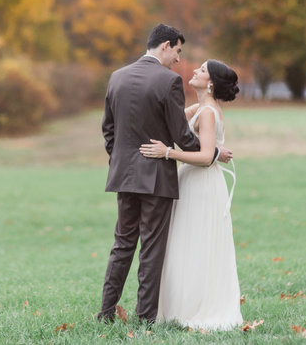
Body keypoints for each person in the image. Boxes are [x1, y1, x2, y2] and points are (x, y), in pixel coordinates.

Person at [97, 24, 232, 326]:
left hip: (123, 176)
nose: (178, 60)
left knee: (122, 244)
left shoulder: (117, 77)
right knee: (152, 249)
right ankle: (145, 317)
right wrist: (212, 151)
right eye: (178, 52)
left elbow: (109, 131)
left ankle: (105, 313)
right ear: (166, 46)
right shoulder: (168, 82)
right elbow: (182, 138)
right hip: (157, 177)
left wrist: (122, 161)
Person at [139, 59, 243, 331]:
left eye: (202, 70)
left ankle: (195, 309)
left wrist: (167, 153)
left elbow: (206, 156)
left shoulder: (208, 113)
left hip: (201, 184)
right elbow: (170, 126)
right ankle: (179, 306)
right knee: (184, 243)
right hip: (191, 181)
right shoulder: (200, 107)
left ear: (210, 83)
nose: (195, 71)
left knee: (195, 243)